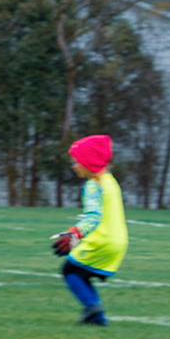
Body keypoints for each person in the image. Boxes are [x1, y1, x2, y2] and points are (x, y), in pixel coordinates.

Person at [54, 134, 126, 326]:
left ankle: (93, 308)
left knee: (69, 270)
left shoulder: (93, 186)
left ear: (88, 162)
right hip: (118, 241)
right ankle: (97, 317)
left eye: (76, 161)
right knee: (81, 272)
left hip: (102, 240)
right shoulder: (110, 181)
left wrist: (75, 233)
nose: (73, 166)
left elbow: (93, 216)